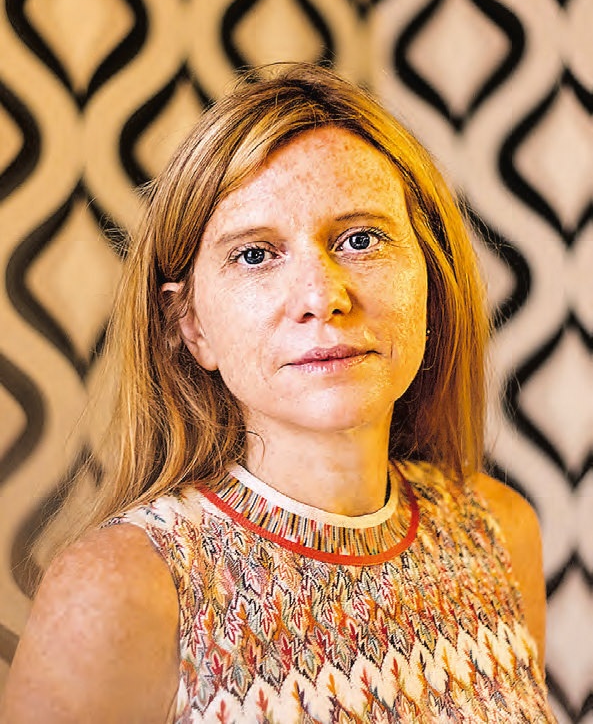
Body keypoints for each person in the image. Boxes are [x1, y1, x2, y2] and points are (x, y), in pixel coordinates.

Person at [0, 63, 555, 723]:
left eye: (360, 239)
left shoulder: (499, 531)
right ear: (191, 327)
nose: (322, 296)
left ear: (430, 282)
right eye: (255, 254)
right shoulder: (121, 589)